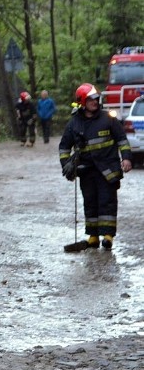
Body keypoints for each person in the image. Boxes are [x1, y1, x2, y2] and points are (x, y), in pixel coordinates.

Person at [58, 83, 132, 250]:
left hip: (108, 170)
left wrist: (126, 158)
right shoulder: (74, 124)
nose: (95, 102)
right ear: (82, 101)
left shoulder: (108, 119)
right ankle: (93, 236)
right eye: (91, 99)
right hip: (86, 170)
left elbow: (122, 140)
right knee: (90, 202)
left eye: (97, 99)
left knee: (107, 202)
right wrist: (67, 165)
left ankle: (108, 236)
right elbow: (64, 148)